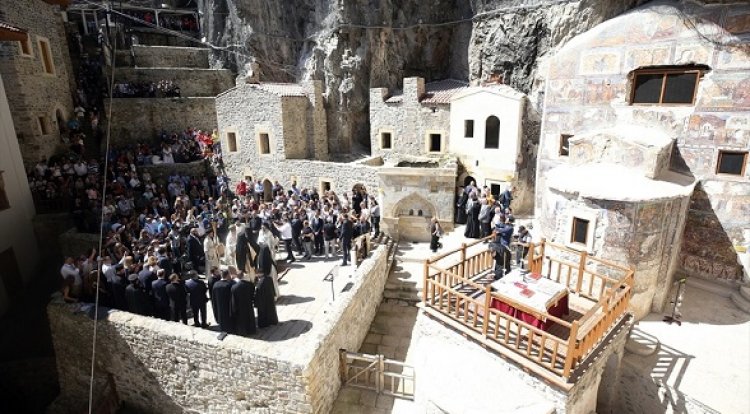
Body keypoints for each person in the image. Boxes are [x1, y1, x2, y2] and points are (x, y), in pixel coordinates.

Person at [231, 271, 257, 336]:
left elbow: (234, 300)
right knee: (250, 318)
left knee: (242, 320)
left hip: (240, 307)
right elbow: (253, 294)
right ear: (243, 276)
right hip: (248, 305)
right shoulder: (250, 284)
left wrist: (234, 309)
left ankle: (243, 332)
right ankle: (252, 330)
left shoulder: (234, 287)